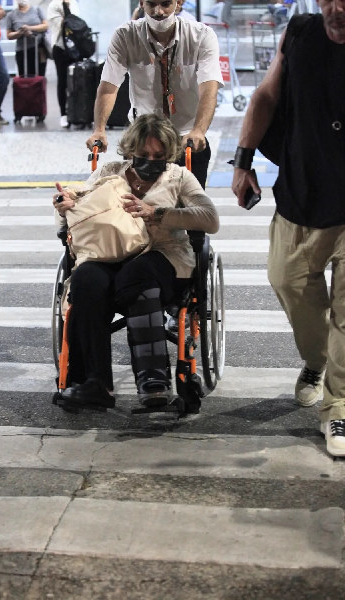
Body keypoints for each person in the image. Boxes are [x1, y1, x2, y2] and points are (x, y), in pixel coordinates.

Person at [231, 6, 345, 457]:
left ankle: (338, 407)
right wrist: (243, 161)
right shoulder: (299, 32)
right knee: (287, 282)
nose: (336, 9)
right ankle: (318, 360)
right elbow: (266, 97)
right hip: (302, 194)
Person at [54, 114, 219, 410]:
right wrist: (66, 206)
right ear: (131, 151)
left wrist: (155, 212)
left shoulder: (179, 177)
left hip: (164, 257)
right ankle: (95, 383)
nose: (150, 160)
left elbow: (210, 218)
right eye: (143, 155)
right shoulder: (111, 171)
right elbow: (78, 209)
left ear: (168, 154)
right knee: (86, 279)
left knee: (138, 273)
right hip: (111, 253)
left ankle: (153, 380)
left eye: (158, 155)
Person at [86, 0, 223, 191]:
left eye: (166, 3)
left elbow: (209, 87)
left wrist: (199, 130)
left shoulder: (201, 35)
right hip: (144, 141)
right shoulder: (126, 35)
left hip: (186, 137)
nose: (158, 11)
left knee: (188, 211)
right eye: (152, 3)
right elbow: (109, 86)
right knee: (137, 208)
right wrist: (99, 129)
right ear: (142, 2)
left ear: (179, 2)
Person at [47, 0, 79, 128]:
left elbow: (78, 24)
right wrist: (65, 6)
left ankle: (76, 112)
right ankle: (63, 114)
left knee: (76, 80)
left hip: (74, 47)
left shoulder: (74, 4)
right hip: (60, 47)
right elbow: (65, 24)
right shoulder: (54, 5)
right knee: (62, 81)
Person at [6, 0, 48, 78]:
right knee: (24, 77)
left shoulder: (37, 9)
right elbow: (9, 35)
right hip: (22, 50)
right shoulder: (11, 15)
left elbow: (45, 26)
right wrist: (20, 32)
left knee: (40, 76)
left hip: (39, 48)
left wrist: (29, 28)